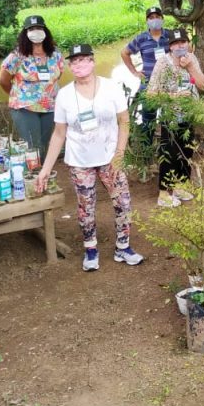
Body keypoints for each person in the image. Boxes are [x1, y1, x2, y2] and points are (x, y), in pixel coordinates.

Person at [36, 44, 143, 271]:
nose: (79, 65)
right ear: (70, 66)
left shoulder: (111, 87)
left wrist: (120, 154)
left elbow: (124, 121)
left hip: (110, 158)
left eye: (83, 60)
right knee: (86, 206)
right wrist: (45, 169)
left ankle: (123, 247)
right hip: (79, 160)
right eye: (74, 62)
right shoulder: (64, 95)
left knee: (122, 201)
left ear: (92, 62)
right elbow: (59, 134)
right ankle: (91, 249)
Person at [147, 28, 204, 208]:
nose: (180, 46)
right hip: (170, 116)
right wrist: (173, 96)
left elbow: (203, 85)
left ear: (188, 43)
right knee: (169, 154)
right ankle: (164, 193)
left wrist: (190, 67)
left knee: (186, 151)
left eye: (182, 42)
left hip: (189, 114)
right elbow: (151, 94)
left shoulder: (192, 58)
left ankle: (181, 186)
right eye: (175, 43)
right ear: (170, 47)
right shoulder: (163, 63)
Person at [0, 15, 64, 154]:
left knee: (45, 146)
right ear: (25, 33)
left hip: (50, 107)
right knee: (33, 146)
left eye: (39, 28)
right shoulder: (17, 56)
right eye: (32, 28)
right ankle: (33, 174)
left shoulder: (55, 54)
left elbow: (57, 77)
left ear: (45, 31)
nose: (36, 31)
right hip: (25, 107)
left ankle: (44, 175)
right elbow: (2, 81)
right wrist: (19, 95)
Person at [121, 5, 170, 140]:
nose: (155, 20)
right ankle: (147, 150)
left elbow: (187, 48)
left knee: (169, 117)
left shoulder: (170, 36)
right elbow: (124, 53)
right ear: (147, 21)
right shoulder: (141, 38)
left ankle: (167, 148)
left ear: (162, 19)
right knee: (148, 118)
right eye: (151, 18)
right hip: (148, 83)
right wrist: (134, 72)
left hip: (169, 83)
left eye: (157, 17)